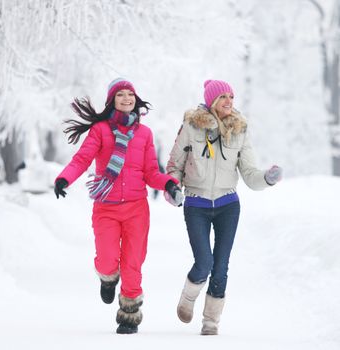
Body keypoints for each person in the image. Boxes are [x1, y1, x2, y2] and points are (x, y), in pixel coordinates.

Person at [54, 78, 181, 334]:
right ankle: (108, 278)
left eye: (130, 94)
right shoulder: (100, 129)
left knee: (133, 262)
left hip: (136, 208)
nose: (126, 98)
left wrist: (168, 184)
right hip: (106, 207)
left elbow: (150, 172)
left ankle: (129, 315)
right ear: (112, 100)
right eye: (120, 94)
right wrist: (64, 178)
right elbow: (82, 159)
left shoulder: (144, 133)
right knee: (107, 260)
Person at [165, 79, 282, 335]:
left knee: (221, 265)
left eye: (231, 96)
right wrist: (172, 188)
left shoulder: (239, 130)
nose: (229, 102)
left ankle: (211, 321)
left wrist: (266, 178)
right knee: (204, 262)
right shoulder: (191, 125)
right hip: (196, 203)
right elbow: (174, 165)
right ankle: (188, 296)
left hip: (228, 204)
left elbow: (249, 172)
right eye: (223, 97)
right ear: (211, 101)